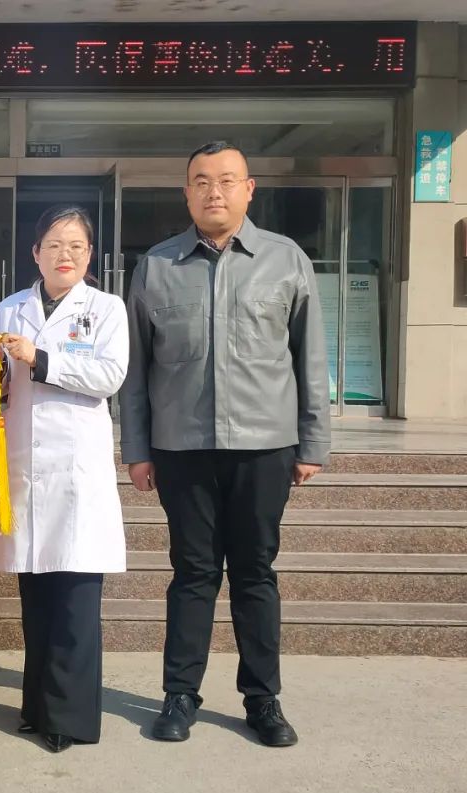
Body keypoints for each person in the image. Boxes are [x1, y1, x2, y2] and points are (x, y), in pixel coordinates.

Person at [119, 141, 331, 747]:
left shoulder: (286, 260)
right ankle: (179, 695)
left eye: (227, 180)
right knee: (192, 573)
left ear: (249, 189)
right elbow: (137, 370)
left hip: (265, 446)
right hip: (182, 447)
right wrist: (137, 448)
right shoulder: (157, 265)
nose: (215, 191)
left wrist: (312, 442)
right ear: (186, 192)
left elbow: (310, 358)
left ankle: (263, 700)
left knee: (255, 573)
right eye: (202, 181)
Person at [0, 205, 128, 753]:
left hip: (76, 470)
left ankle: (70, 719)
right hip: (26, 465)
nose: (64, 254)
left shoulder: (106, 308)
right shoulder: (9, 308)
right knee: (37, 595)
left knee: (74, 598)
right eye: (53, 244)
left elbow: (109, 375)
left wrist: (39, 358)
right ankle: (37, 708)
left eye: (75, 245)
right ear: (35, 253)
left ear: (89, 255)